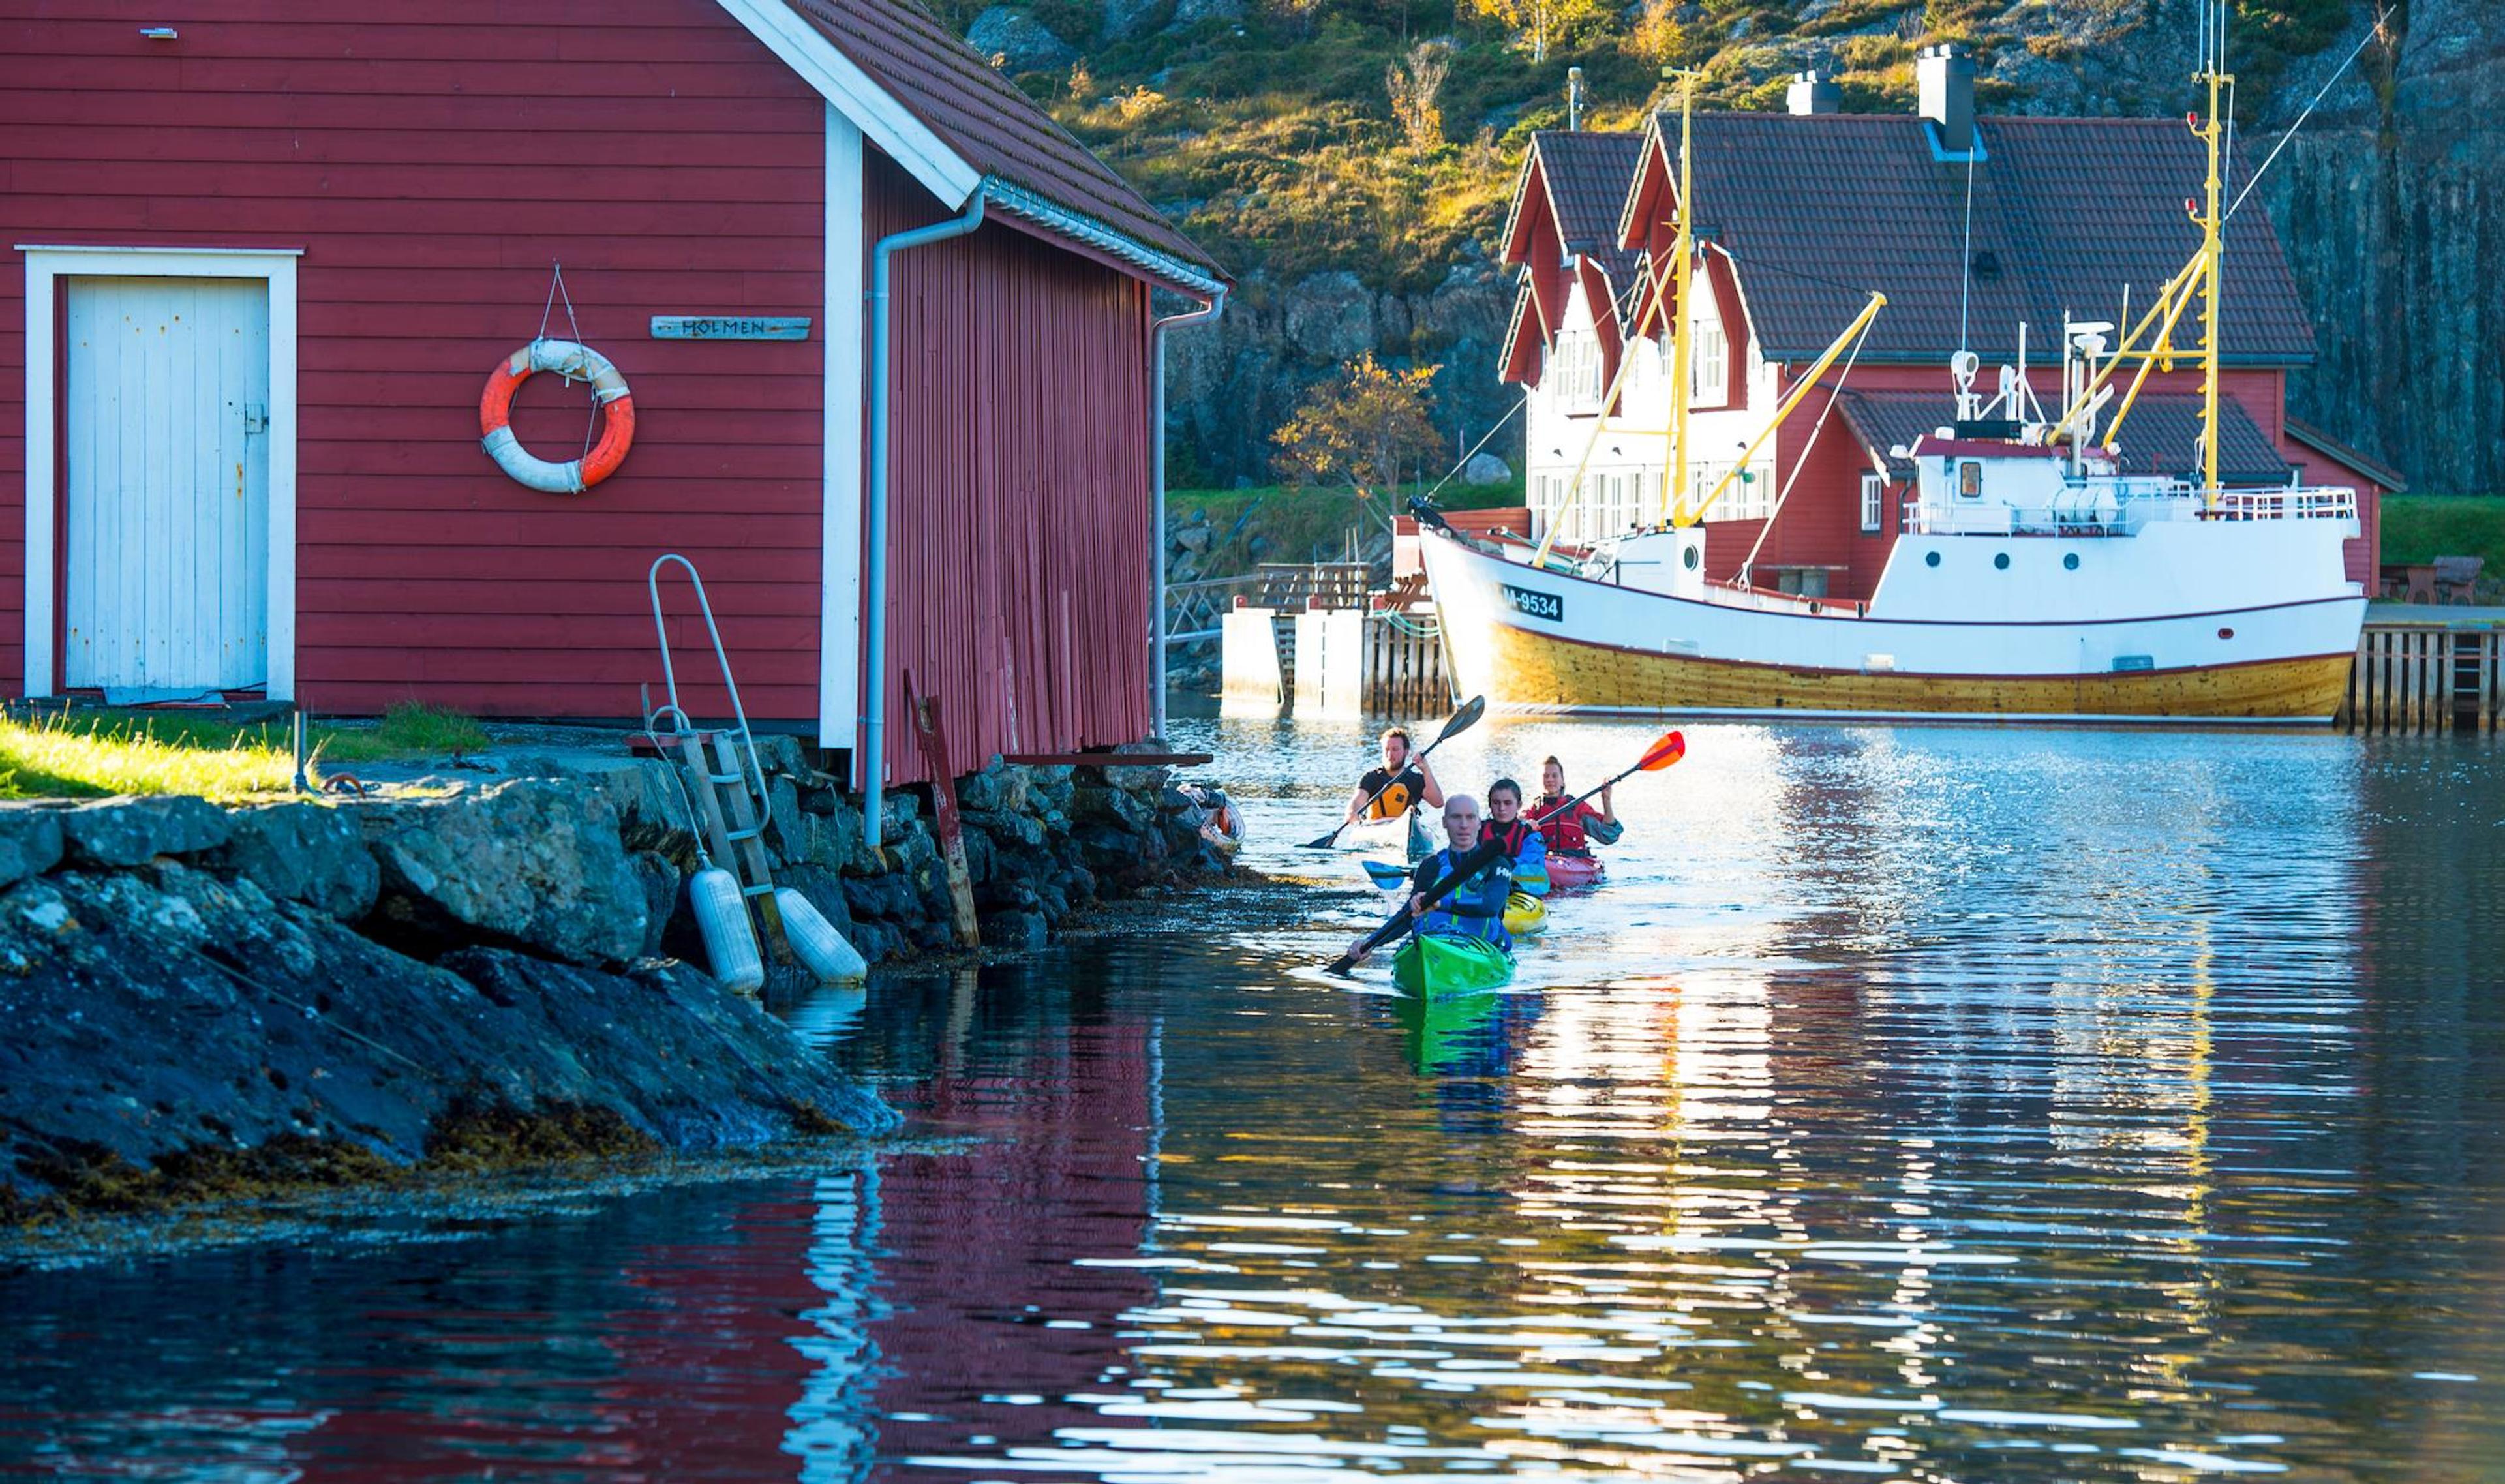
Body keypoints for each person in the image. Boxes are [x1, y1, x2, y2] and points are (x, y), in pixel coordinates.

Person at [1347, 795, 1511, 964]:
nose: (1463, 825)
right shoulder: (1431, 866)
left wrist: (1440, 904)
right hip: (1432, 946)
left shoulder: (1497, 864)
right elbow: (1408, 915)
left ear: (1479, 823)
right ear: (1444, 822)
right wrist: (1371, 942)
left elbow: (1491, 906)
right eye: (1456, 817)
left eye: (1470, 817)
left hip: (1481, 950)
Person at [1344, 726, 1444, 826]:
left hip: (1406, 829)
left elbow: (1438, 803)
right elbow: (1358, 801)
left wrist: (1426, 770)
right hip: (1376, 828)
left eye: (1395, 749)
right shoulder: (1371, 778)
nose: (1390, 754)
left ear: (1406, 752)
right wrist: (1352, 812)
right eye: (1387, 749)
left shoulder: (1416, 780)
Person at [1532, 755, 1618, 856]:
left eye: (1555, 776)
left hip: (1577, 859)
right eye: (1546, 776)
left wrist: (1606, 800)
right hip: (1545, 859)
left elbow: (1609, 835)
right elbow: (1517, 828)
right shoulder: (1533, 810)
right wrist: (1527, 825)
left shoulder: (1577, 807)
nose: (1550, 780)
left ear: (1562, 781)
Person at [1481, 778, 1548, 873]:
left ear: (1519, 805)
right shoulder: (1477, 831)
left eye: (1508, 803)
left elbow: (1535, 868)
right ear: (1490, 804)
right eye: (1496, 803)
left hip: (1515, 880)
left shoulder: (1529, 835)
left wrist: (1501, 865)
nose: (1502, 808)